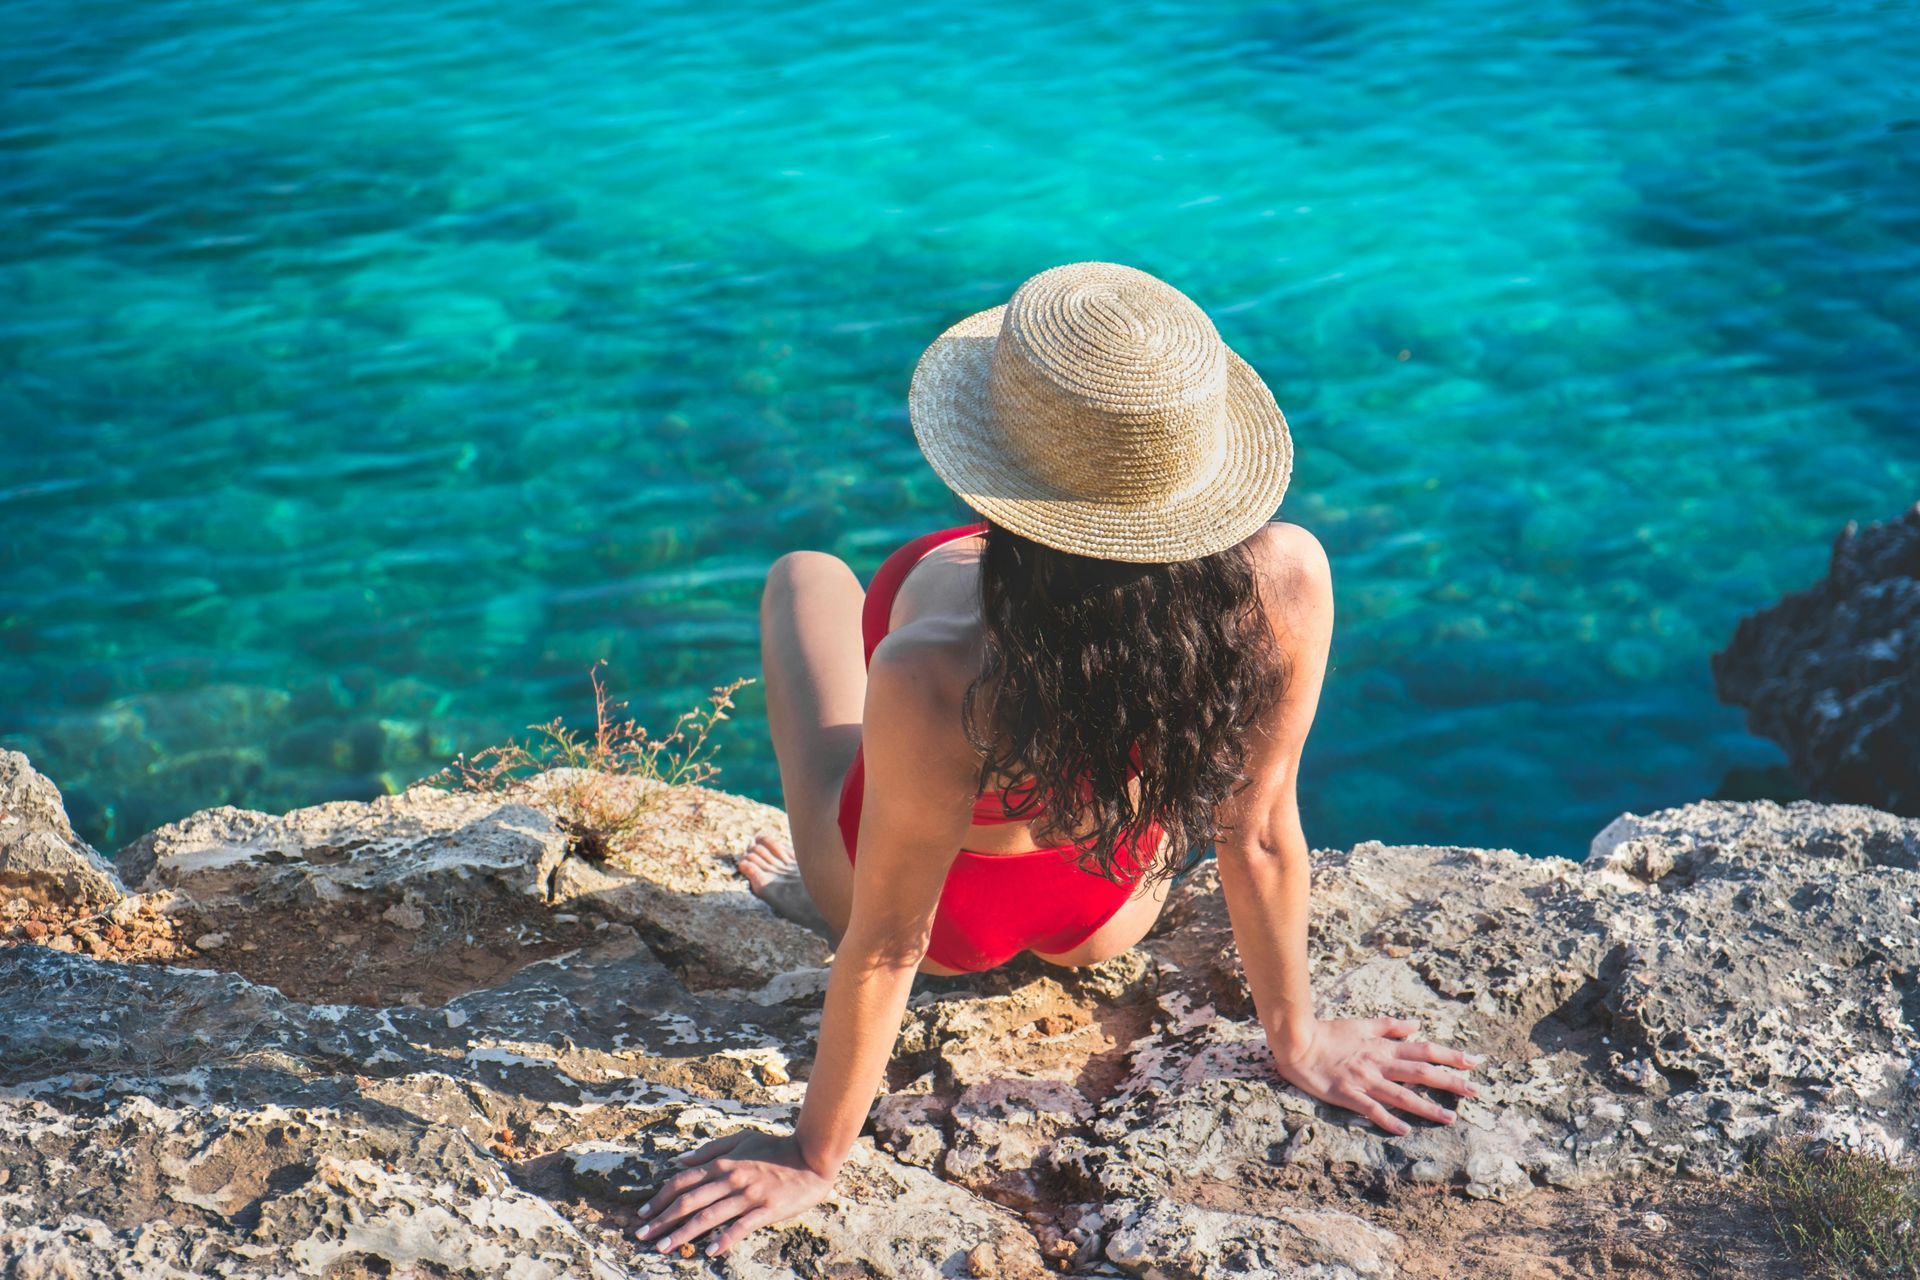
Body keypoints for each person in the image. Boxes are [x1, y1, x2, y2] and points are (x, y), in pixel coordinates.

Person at [634, 262, 1481, 1258]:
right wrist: (1295, 1038)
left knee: (805, 576)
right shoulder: (1288, 577)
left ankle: (798, 869)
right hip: (1109, 913)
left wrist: (817, 1157)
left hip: (945, 925)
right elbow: (1256, 830)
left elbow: (889, 940)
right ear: (1196, 470)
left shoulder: (935, 660)